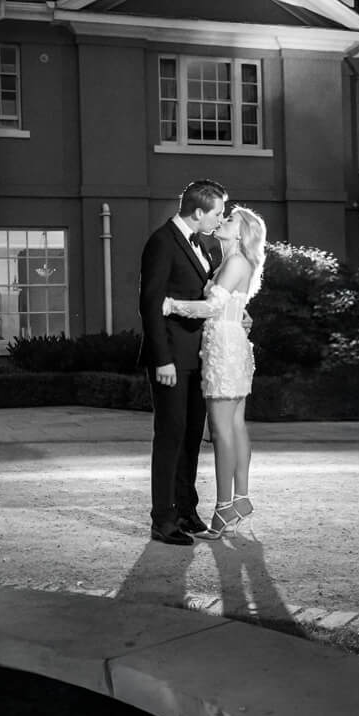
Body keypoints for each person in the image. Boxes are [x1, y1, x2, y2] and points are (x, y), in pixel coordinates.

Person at [164, 205, 265, 534]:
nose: (222, 220)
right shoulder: (233, 261)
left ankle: (223, 509)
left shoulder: (235, 262)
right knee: (235, 426)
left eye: (230, 219)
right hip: (232, 341)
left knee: (222, 430)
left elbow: (212, 307)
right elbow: (234, 306)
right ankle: (241, 498)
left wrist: (169, 305)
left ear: (241, 232)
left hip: (223, 345)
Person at [139, 179, 227, 545]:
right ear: (198, 211)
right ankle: (163, 518)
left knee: (192, 437)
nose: (221, 220)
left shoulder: (207, 244)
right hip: (171, 358)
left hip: (197, 356)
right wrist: (162, 359)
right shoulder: (161, 242)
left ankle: (187, 511)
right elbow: (150, 302)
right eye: (217, 213)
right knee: (170, 436)